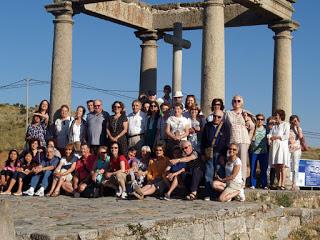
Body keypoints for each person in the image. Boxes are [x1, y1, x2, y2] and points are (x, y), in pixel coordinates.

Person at [224, 95, 253, 184]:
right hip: (232, 139)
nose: (236, 102)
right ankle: (230, 181)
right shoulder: (228, 113)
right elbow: (225, 126)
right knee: (231, 160)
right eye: (234, 101)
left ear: (242, 103)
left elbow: (252, 126)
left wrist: (247, 119)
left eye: (238, 101)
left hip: (243, 139)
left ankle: (242, 182)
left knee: (242, 161)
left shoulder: (246, 113)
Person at [201, 109, 229, 201]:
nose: (216, 118)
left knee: (220, 173)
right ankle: (207, 194)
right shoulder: (207, 126)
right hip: (209, 152)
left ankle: (218, 194)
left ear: (222, 117)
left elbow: (227, 142)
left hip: (220, 153)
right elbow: (203, 141)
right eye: (215, 116)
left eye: (219, 117)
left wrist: (223, 155)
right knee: (208, 173)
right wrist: (202, 153)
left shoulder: (225, 127)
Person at [267, 109, 290, 190]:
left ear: (280, 115)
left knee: (282, 166)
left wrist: (276, 137)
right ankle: (279, 182)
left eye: (276, 115)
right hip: (275, 147)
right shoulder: (274, 126)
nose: (275, 116)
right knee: (276, 166)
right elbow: (269, 134)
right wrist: (269, 138)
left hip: (282, 147)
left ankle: (282, 184)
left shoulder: (286, 124)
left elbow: (286, 136)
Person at [249, 114, 268, 189]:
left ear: (264, 121)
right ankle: (253, 184)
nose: (260, 121)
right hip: (253, 152)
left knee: (263, 169)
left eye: (262, 119)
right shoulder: (253, 128)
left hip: (263, 152)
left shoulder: (266, 129)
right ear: (256, 120)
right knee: (253, 168)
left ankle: (264, 184)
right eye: (258, 119)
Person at [289, 115, 304, 191]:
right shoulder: (288, 128)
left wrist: (297, 127)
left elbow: (301, 137)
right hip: (288, 149)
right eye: (293, 121)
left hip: (296, 149)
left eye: (296, 121)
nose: (294, 122)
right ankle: (286, 182)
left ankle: (294, 183)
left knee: (295, 166)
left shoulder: (299, 129)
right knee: (287, 166)